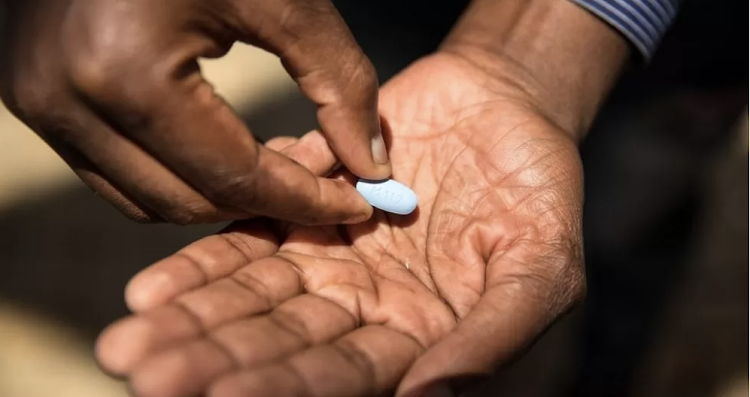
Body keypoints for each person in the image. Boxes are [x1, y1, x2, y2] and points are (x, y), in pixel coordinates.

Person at [0, 0, 680, 396]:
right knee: (377, 60)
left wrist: (541, 47)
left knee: (637, 210)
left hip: (674, 53)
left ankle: (610, 367)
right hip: (390, 11)